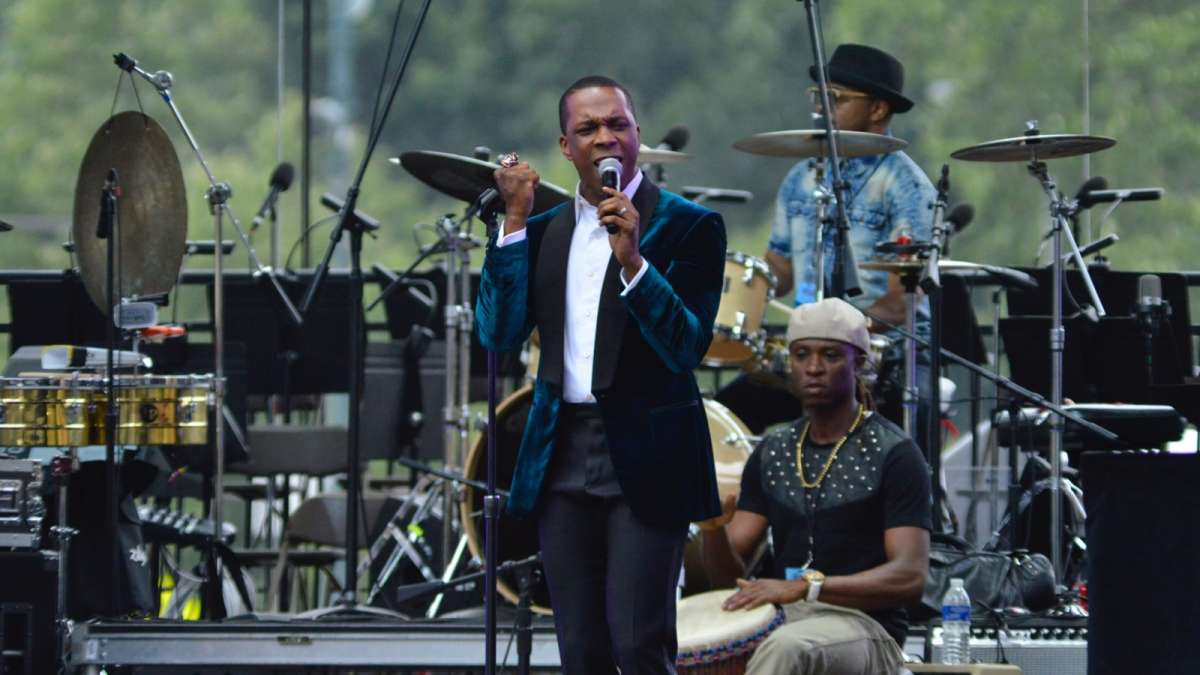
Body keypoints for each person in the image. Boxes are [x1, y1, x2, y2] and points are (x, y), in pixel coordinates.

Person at [475, 75, 727, 673]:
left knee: (638, 642)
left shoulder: (691, 226)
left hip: (646, 452)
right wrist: (512, 221)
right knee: (581, 648)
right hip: (562, 450)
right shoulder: (541, 232)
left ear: (638, 135)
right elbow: (497, 333)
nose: (605, 138)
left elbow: (686, 347)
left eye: (618, 124)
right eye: (588, 129)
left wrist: (634, 260)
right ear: (566, 147)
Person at [700, 298, 931, 674]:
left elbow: (910, 576)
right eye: (801, 355)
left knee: (786, 649)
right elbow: (728, 579)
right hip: (784, 618)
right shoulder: (773, 451)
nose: (813, 368)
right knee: (681, 643)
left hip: (866, 626)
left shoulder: (896, 453)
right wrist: (713, 531)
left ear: (859, 363)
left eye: (830, 355)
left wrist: (808, 586)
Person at [716, 43, 937, 435]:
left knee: (877, 451)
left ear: (878, 109)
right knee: (722, 420)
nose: (821, 107)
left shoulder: (906, 185)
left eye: (835, 98)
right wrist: (736, 283)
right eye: (818, 97)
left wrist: (840, 331)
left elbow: (903, 298)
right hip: (810, 354)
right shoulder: (802, 177)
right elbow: (779, 270)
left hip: (886, 363)